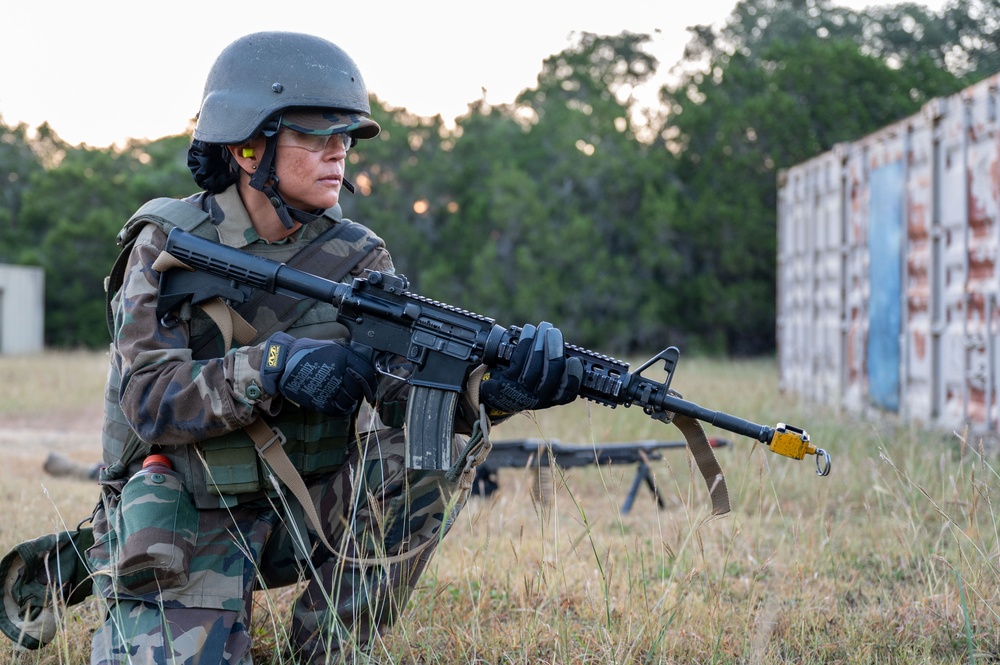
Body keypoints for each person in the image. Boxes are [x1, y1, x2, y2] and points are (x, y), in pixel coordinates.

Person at [86, 31, 582, 665]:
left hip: (305, 507)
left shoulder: (357, 253)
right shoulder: (168, 243)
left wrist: (492, 393)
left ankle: (330, 648)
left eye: (344, 139)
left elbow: (404, 396)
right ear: (246, 146)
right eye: (315, 137)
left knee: (425, 452)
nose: (337, 154)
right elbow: (148, 402)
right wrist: (270, 369)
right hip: (185, 511)